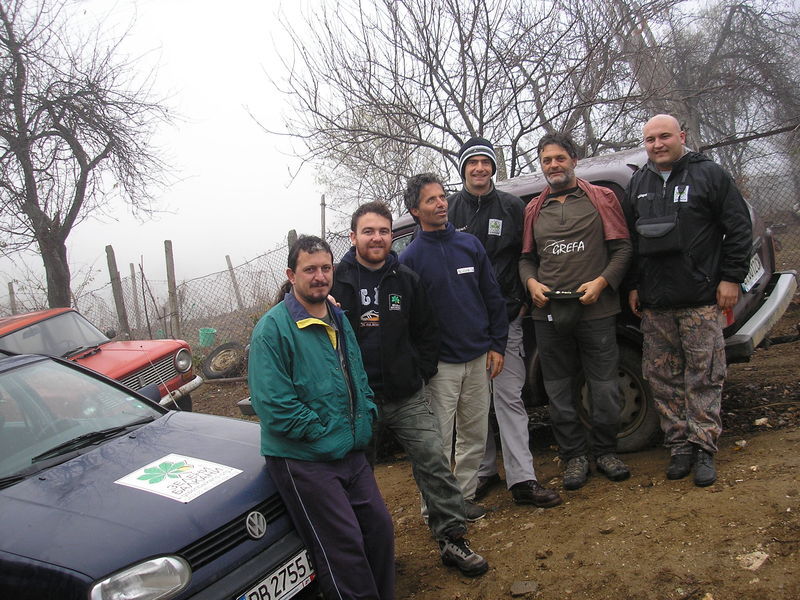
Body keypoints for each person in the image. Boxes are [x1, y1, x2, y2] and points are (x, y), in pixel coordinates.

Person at [331, 201, 489, 577]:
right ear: (353, 237)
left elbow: (426, 332)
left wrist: (419, 372)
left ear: (392, 235)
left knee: (434, 462)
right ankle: (363, 552)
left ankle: (453, 538)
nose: (377, 238)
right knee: (358, 477)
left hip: (407, 395)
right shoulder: (335, 280)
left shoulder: (406, 278)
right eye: (368, 231)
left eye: (384, 231)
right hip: (358, 402)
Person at [248, 235, 395, 599]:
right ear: (291, 274)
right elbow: (275, 406)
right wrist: (325, 431)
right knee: (342, 548)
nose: (319, 276)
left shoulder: (337, 317)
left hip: (350, 449)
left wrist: (365, 415)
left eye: (325, 268)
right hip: (305, 458)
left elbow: (357, 376)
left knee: (379, 530)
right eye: (309, 269)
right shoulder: (272, 329)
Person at [623, 114, 752, 487]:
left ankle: (704, 448)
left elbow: (738, 228)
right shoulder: (639, 183)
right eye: (650, 139)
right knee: (663, 378)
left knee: (704, 375)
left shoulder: (708, 175)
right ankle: (679, 446)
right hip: (655, 305)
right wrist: (634, 285)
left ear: (681, 136)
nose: (658, 144)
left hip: (700, 300)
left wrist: (731, 277)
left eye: (664, 137)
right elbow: (632, 244)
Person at [448, 137, 562, 508]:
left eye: (485, 162)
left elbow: (528, 255)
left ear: (494, 168)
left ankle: (523, 479)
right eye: (472, 163)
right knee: (471, 405)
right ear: (463, 168)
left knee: (509, 398)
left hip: (505, 320)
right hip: (462, 326)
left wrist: (524, 300)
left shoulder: (512, 207)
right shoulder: (448, 209)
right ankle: (483, 472)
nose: (479, 168)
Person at [519, 132, 633, 491]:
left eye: (559, 158)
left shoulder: (601, 199)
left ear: (574, 159)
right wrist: (532, 284)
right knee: (559, 391)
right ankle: (574, 458)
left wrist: (602, 283)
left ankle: (606, 452)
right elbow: (525, 260)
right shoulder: (533, 210)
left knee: (604, 388)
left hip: (596, 311)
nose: (553, 165)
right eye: (547, 160)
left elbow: (623, 249)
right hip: (549, 315)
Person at [400, 173, 508, 520]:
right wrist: (421, 364)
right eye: (431, 200)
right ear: (415, 210)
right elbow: (409, 321)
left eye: (443, 197)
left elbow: (492, 296)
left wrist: (498, 345)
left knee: (475, 436)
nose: (441, 203)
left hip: (479, 357)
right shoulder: (410, 258)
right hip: (440, 367)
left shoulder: (470, 245)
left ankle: (461, 499)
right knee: (438, 444)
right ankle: (435, 509)